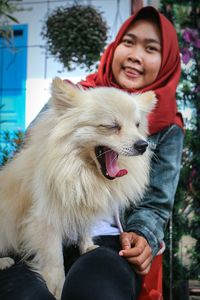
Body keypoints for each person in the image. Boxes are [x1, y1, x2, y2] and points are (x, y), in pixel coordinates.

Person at [0, 5, 184, 300]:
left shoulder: (166, 125)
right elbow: (30, 155)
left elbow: (156, 206)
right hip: (37, 230)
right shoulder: (74, 96)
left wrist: (142, 235)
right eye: (128, 42)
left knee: (96, 293)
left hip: (108, 240)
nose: (136, 54)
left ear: (166, 60)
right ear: (114, 48)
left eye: (150, 48)